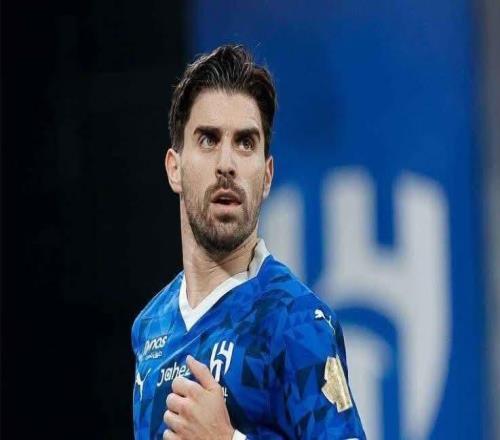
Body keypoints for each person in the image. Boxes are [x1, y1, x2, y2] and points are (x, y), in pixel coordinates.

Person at [131, 44, 365, 440]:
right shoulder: (150, 327)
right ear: (174, 168)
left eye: (245, 143)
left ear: (267, 176)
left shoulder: (295, 321)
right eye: (208, 139)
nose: (227, 164)